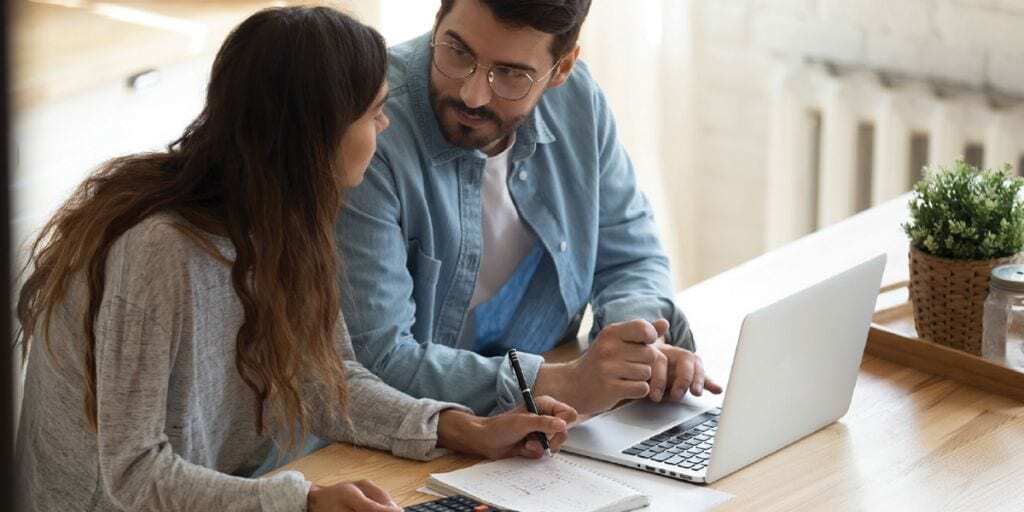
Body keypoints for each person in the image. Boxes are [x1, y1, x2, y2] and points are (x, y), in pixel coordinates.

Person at [15, 7, 575, 512]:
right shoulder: (159, 249)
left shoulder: (290, 219)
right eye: (375, 112)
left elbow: (325, 380)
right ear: (317, 134)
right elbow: (133, 474)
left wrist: (459, 428)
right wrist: (301, 503)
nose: (386, 125)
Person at [340, 0, 722, 418]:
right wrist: (567, 383)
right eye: (458, 51)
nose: (472, 93)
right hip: (412, 432)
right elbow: (376, 358)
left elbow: (630, 255)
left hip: (541, 424)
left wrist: (637, 346)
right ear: (437, 20)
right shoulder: (367, 127)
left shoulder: (578, 102)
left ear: (561, 69)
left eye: (510, 74)